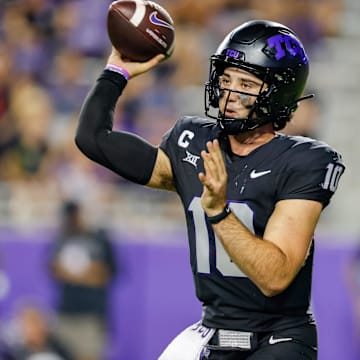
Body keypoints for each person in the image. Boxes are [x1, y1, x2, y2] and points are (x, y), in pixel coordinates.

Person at [75, 20, 345, 359]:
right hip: (214, 331)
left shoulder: (304, 160)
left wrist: (219, 211)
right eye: (226, 78)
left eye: (246, 83)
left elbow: (274, 277)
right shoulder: (195, 142)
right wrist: (116, 71)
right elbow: (93, 139)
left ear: (277, 94)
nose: (229, 94)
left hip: (277, 338)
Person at [49, 200, 118, 360]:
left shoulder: (100, 239)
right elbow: (53, 269)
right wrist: (86, 275)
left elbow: (107, 274)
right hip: (65, 311)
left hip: (91, 313)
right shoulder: (62, 237)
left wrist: (75, 275)